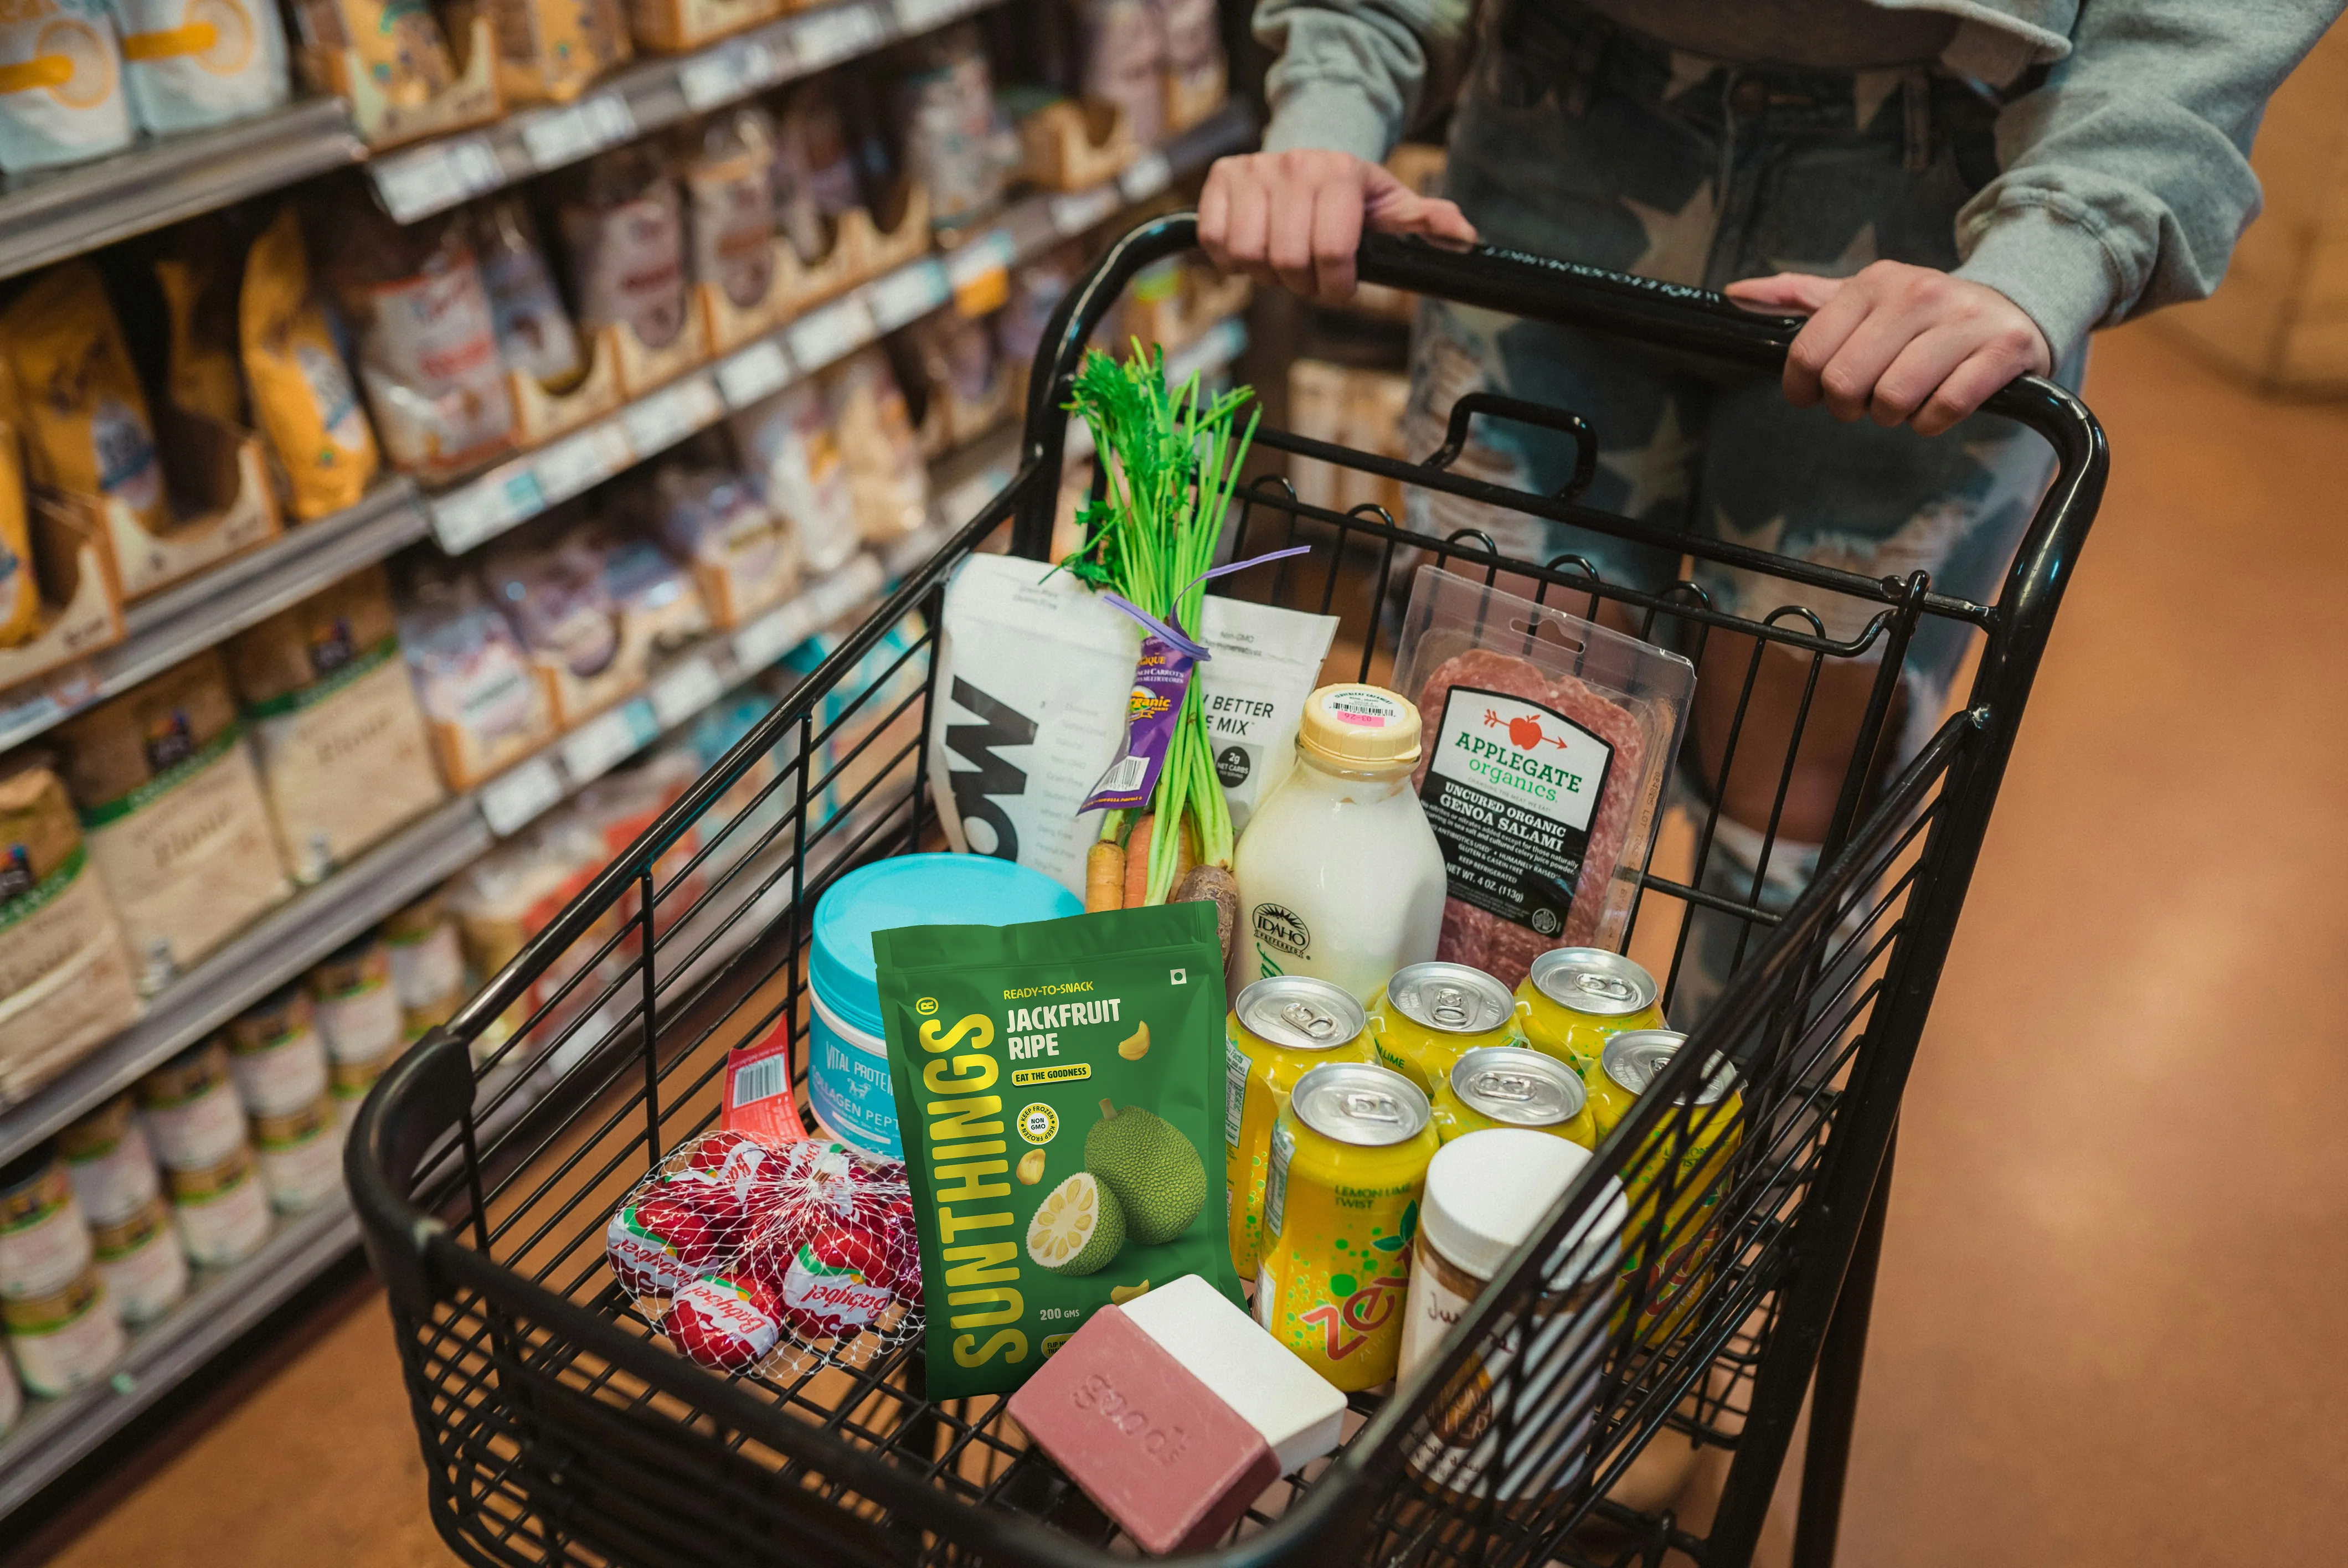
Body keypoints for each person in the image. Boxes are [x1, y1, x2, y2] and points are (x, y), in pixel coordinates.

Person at [1202, 0, 2343, 1018]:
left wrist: (2061, 240)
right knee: (1497, 768)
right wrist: (1332, 85)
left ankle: (1696, 1197)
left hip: (1953, 202)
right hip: (1551, 122)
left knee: (1793, 816)